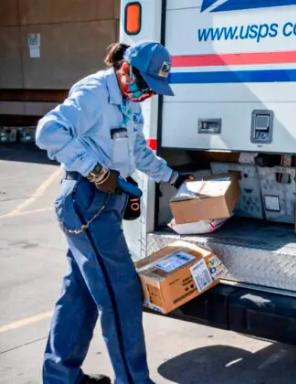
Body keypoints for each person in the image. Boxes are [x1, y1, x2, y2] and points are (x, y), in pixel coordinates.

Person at [36, 41, 190, 384]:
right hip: (85, 199)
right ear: (126, 69)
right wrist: (95, 171)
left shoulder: (129, 103)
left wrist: (176, 178)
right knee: (121, 293)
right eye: (146, 85)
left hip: (104, 203)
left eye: (153, 90)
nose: (147, 94)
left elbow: (138, 153)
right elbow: (48, 132)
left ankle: (60, 377)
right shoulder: (93, 93)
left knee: (81, 293)